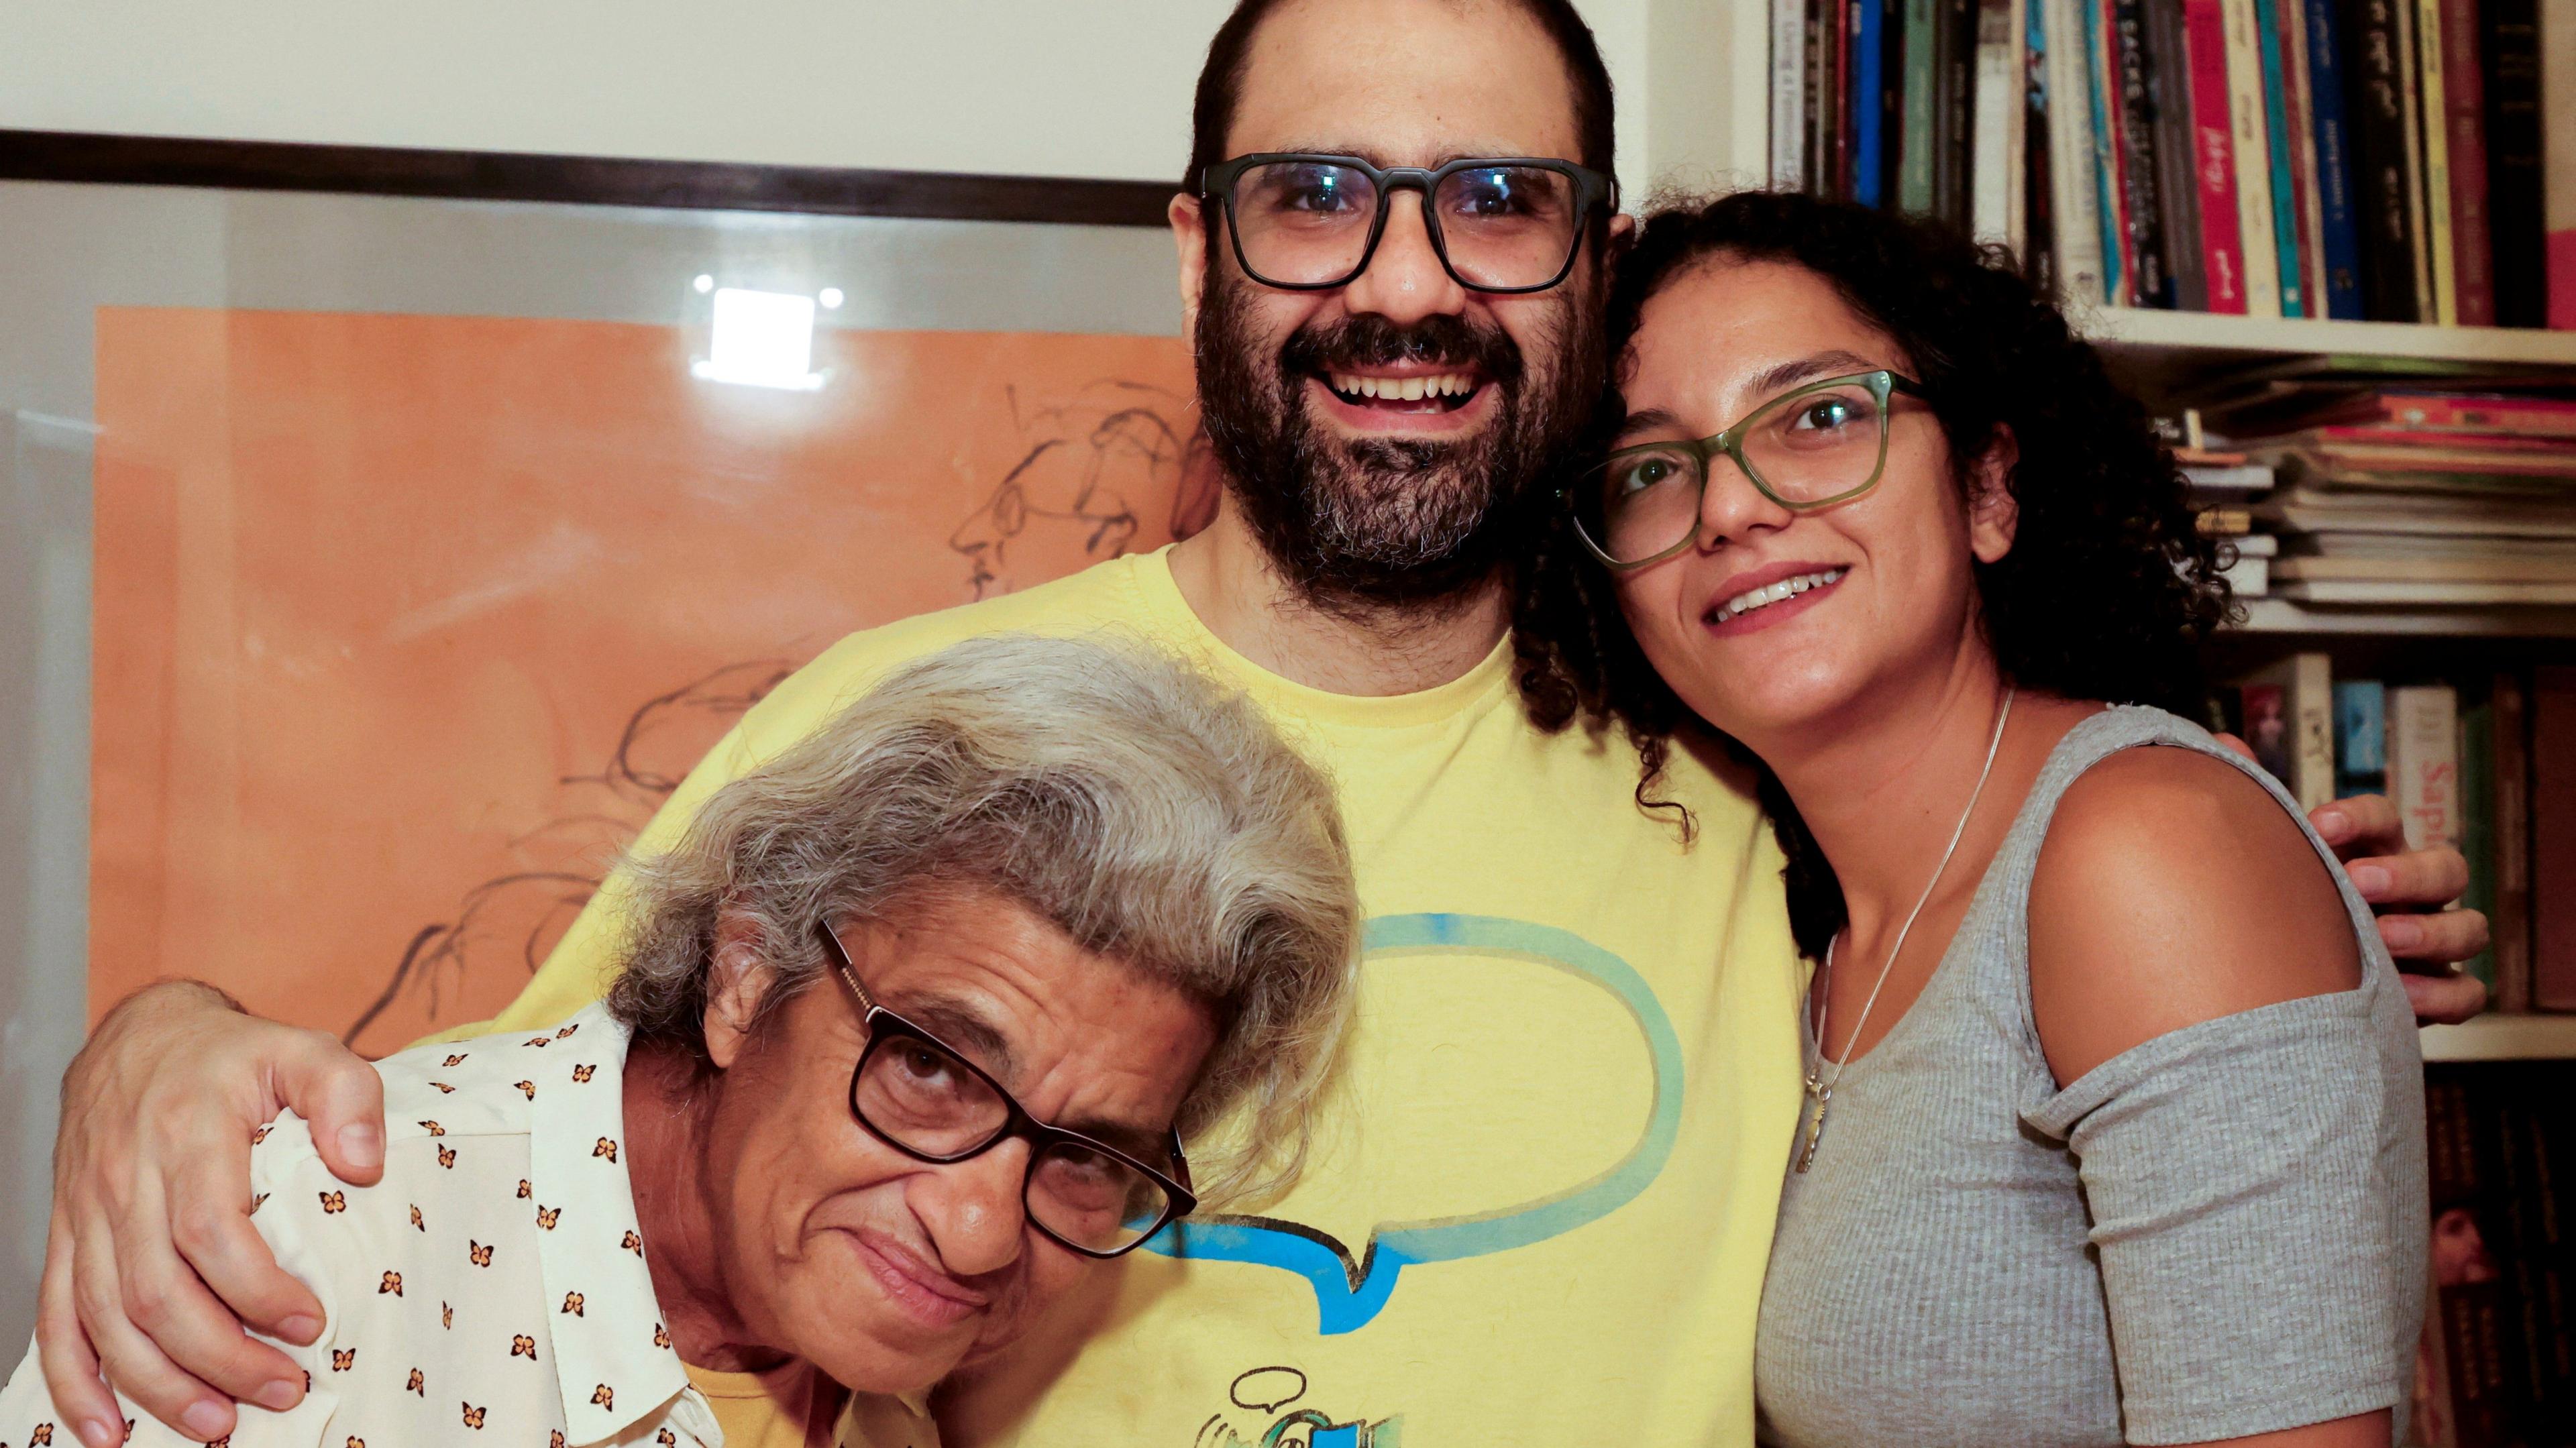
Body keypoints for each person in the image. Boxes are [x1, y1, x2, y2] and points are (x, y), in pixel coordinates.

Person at [36, 3, 2486, 1446]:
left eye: (1495, 203)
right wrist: (154, 1048)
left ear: (1586, 264)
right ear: (1198, 249)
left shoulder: (1729, 746)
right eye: (1318, 197)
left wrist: (2235, 907)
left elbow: (2028, 904)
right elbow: (559, 1176)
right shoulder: (909, 726)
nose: (1403, 283)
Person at [1514, 190, 2430, 1444]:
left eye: (1821, 416)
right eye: (1653, 469)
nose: (1728, 509)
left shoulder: (2142, 849)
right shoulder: (1803, 931)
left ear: (1989, 489)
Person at [5, 634, 1362, 1448]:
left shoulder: (875, 1395)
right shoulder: (300, 1249)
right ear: (744, 970)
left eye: (1083, 1158)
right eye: (933, 1069)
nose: (980, 1232)